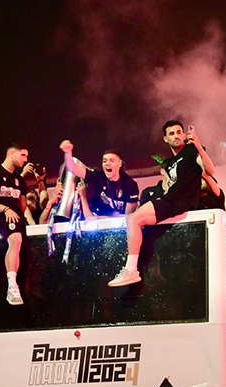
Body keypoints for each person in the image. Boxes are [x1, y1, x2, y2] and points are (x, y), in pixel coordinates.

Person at [107, 121, 214, 287]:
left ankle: (131, 270)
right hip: (171, 200)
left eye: (179, 132)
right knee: (140, 225)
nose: (176, 136)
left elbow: (210, 171)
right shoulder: (170, 163)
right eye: (172, 133)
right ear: (165, 139)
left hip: (180, 201)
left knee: (133, 219)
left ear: (184, 135)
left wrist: (199, 146)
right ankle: (141, 271)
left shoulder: (192, 150)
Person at [0, 144, 32, 306]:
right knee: (15, 239)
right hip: (1, 215)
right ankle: (12, 286)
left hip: (17, 217)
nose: (25, 159)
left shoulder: (20, 180)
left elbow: (23, 205)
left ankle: (21, 286)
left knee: (26, 251)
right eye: (23, 155)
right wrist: (5, 209)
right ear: (11, 153)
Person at [59, 140, 139, 219]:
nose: (107, 163)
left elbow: (128, 217)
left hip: (121, 224)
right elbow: (72, 168)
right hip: (99, 222)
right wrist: (68, 152)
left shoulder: (130, 185)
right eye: (104, 161)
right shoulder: (98, 177)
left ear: (120, 164)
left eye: (112, 161)